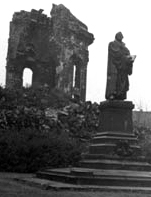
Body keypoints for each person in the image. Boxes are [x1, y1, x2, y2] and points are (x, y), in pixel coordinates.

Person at [105, 32, 136, 100]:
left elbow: (126, 53)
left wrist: (130, 59)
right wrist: (126, 58)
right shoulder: (112, 44)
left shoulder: (124, 47)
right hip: (115, 67)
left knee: (123, 82)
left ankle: (121, 94)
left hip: (123, 69)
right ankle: (112, 94)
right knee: (114, 81)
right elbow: (116, 54)